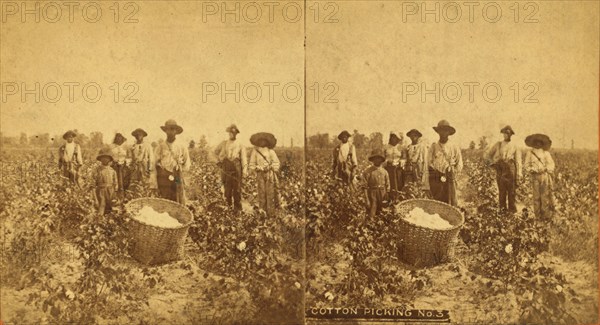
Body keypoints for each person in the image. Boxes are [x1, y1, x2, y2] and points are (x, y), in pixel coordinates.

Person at [484, 126, 522, 212]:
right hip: (500, 169)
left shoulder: (515, 146)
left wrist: (519, 173)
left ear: (511, 135)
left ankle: (512, 212)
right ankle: (502, 211)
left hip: (511, 170)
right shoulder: (498, 144)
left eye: (508, 133)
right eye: (504, 133)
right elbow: (488, 155)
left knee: (511, 192)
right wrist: (493, 164)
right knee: (502, 191)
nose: (506, 135)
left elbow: (518, 161)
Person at [154, 120, 191, 204]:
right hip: (163, 176)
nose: (170, 131)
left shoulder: (181, 146)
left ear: (176, 131)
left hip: (177, 175)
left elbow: (187, 163)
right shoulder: (160, 146)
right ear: (165, 131)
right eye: (168, 129)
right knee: (164, 197)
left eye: (172, 129)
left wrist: (180, 172)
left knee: (178, 194)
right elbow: (154, 163)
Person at [428, 120, 463, 206]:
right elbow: (428, 162)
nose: (443, 133)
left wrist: (453, 173)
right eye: (441, 130)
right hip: (436, 178)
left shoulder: (454, 146)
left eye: (445, 130)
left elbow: (459, 163)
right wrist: (435, 173)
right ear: (438, 132)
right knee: (437, 201)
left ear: (449, 132)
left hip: (450, 177)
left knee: (450, 201)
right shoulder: (433, 146)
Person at [215, 124, 248, 211]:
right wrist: (218, 161)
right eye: (230, 132)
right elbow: (215, 152)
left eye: (233, 132)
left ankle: (238, 210)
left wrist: (244, 170)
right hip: (226, 167)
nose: (231, 134)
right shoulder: (224, 143)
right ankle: (228, 208)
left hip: (237, 168)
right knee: (227, 189)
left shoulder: (240, 144)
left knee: (237, 190)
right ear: (228, 133)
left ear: (236, 133)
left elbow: (244, 158)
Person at [524, 133, 555, 220]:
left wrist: (546, 168)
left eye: (540, 142)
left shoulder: (546, 153)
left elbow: (551, 164)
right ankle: (537, 216)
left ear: (542, 143)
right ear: (534, 143)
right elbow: (526, 165)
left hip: (544, 176)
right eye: (536, 142)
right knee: (536, 196)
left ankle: (544, 216)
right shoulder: (530, 153)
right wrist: (532, 169)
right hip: (535, 176)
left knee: (544, 196)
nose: (538, 144)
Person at [249, 132, 280, 217]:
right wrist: (257, 168)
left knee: (270, 194)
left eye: (264, 141)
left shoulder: (271, 151)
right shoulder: (255, 151)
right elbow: (251, 164)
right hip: (260, 175)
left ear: (267, 142)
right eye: (261, 141)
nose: (262, 142)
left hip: (269, 174)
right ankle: (262, 213)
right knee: (261, 193)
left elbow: (276, 163)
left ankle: (271, 214)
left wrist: (271, 167)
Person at [362, 148, 390, 218]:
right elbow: (364, 186)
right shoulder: (368, 171)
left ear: (382, 160)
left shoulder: (384, 172)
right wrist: (367, 199)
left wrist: (387, 196)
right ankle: (371, 225)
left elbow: (388, 185)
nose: (377, 160)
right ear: (372, 160)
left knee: (383, 212)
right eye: (375, 158)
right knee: (372, 211)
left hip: (382, 193)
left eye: (379, 158)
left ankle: (382, 226)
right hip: (372, 193)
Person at [93, 147, 118, 215]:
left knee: (110, 209)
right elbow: (93, 185)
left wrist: (114, 194)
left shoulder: (112, 171)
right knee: (101, 208)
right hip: (101, 192)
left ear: (110, 159)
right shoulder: (97, 170)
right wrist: (95, 198)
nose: (105, 159)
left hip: (111, 192)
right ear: (100, 159)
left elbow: (116, 184)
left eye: (107, 158)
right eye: (103, 157)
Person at [383, 132, 405, 201]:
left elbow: (404, 157)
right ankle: (390, 198)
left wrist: (401, 162)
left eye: (395, 137)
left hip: (398, 168)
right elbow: (383, 157)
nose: (394, 139)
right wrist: (386, 161)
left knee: (398, 183)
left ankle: (398, 198)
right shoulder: (386, 147)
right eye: (392, 137)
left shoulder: (401, 147)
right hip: (388, 168)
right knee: (389, 183)